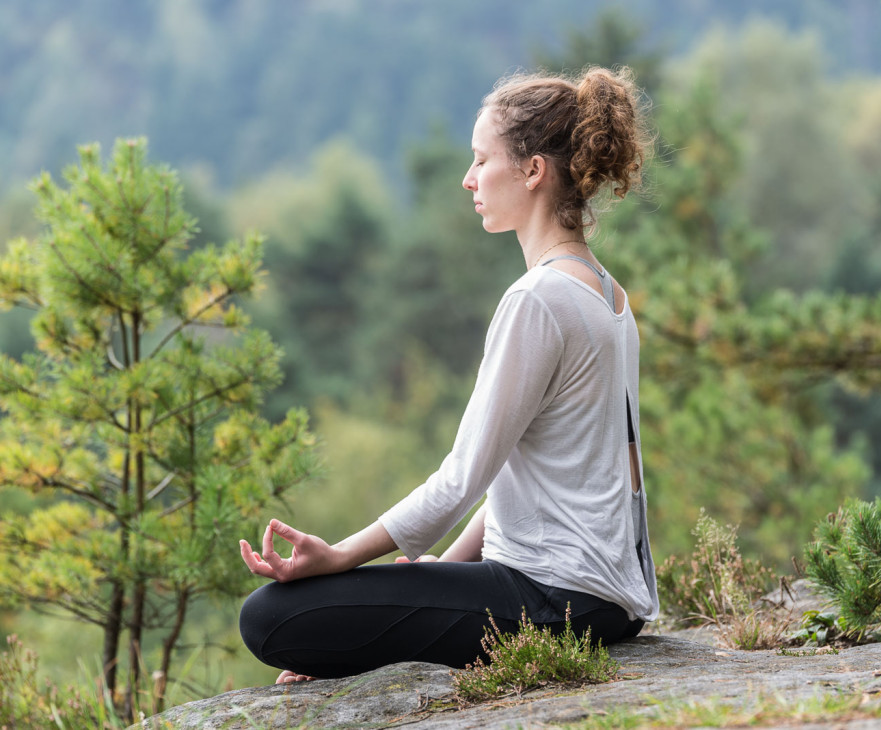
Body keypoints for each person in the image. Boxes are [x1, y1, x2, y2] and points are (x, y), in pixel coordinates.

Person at [238, 65, 659, 684]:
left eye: (481, 160)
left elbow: (462, 477)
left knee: (270, 617)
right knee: (348, 607)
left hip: (551, 599)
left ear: (532, 171)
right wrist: (440, 568)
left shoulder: (537, 299)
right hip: (607, 604)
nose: (469, 178)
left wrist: (339, 556)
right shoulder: (608, 294)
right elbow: (527, 474)